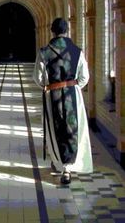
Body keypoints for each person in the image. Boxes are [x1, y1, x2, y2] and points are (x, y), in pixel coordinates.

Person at [33, 18, 93, 184]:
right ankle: (68, 168)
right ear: (67, 31)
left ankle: (59, 164)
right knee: (73, 129)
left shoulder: (44, 52)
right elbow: (85, 77)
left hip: (53, 94)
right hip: (73, 94)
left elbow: (37, 78)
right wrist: (74, 86)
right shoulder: (77, 51)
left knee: (55, 127)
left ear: (52, 31)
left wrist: (48, 86)